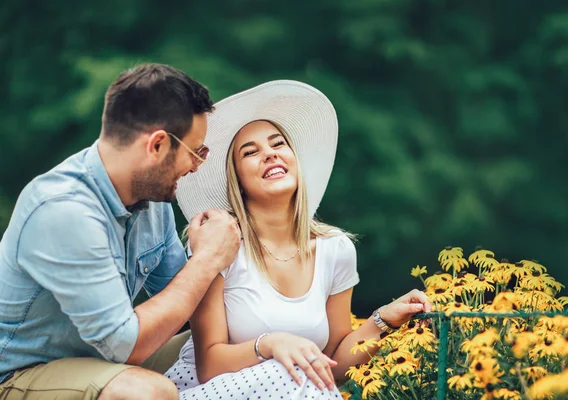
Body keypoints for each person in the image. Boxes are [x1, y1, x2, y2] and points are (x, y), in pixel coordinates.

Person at [167, 80, 433, 399]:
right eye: (250, 152)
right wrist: (270, 344)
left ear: (294, 160)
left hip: (294, 390)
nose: (269, 155)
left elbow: (331, 369)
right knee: (286, 372)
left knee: (297, 375)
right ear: (235, 180)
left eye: (278, 144)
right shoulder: (219, 244)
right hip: (210, 390)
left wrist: (383, 320)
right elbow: (209, 365)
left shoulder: (335, 249)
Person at [0, 64, 241, 400]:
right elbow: (124, 345)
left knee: (236, 345)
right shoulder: (63, 211)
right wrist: (207, 260)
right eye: (195, 153)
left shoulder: (152, 201)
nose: (196, 166)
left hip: (100, 362)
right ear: (157, 145)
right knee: (146, 392)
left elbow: (185, 301)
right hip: (18, 375)